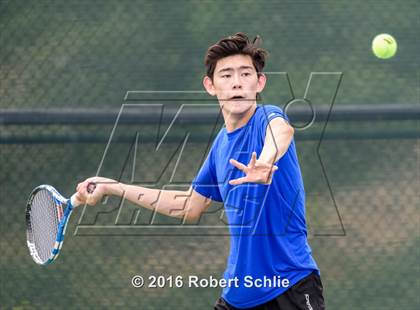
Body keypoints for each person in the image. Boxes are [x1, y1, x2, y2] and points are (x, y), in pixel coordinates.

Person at [76, 33, 325, 310]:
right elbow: (188, 207)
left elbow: (281, 131)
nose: (237, 82)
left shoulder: (268, 116)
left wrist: (265, 161)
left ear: (259, 82)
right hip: (237, 296)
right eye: (226, 75)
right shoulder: (220, 146)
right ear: (210, 85)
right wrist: (114, 187)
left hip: (289, 288)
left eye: (245, 74)